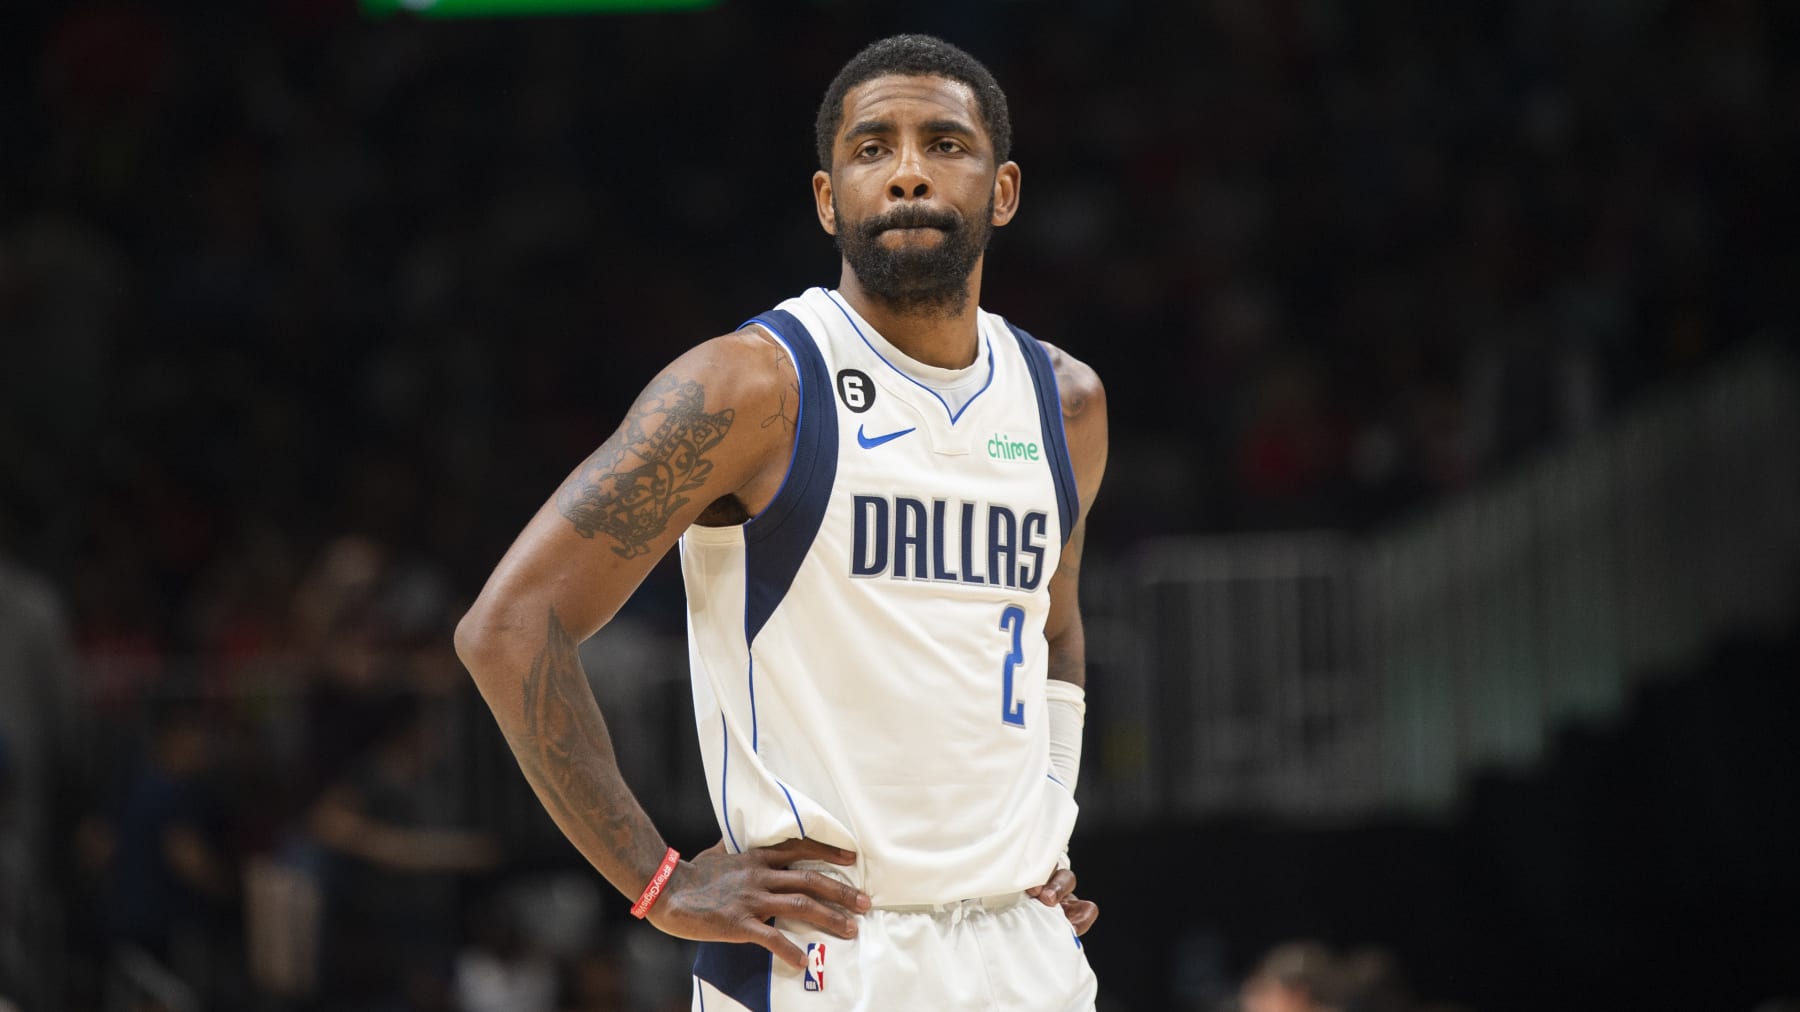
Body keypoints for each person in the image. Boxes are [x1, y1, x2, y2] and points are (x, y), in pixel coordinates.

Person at [456, 33, 1107, 1010]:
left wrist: (1049, 819)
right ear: (827, 196)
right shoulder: (751, 387)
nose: (909, 173)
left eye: (945, 142)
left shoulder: (1065, 403)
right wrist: (658, 880)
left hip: (1023, 945)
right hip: (828, 951)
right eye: (872, 147)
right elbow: (508, 628)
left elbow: (1053, 628)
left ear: (1003, 189)